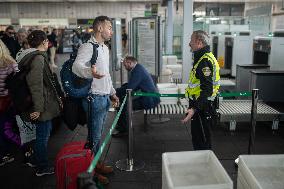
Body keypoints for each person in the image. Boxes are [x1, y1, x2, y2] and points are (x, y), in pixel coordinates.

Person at [72, 16, 119, 185]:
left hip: (104, 96)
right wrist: (89, 72)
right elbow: (77, 66)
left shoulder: (105, 48)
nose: (111, 31)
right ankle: (90, 173)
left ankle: (97, 164)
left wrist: (112, 92)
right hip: (94, 98)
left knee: (97, 136)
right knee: (94, 137)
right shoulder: (88, 46)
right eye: (109, 27)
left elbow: (106, 74)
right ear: (99, 28)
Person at [18, 30, 62, 176]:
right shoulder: (38, 58)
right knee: (43, 135)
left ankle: (35, 159)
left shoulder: (28, 55)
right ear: (44, 42)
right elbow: (35, 84)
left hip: (40, 102)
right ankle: (42, 166)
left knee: (41, 134)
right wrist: (38, 108)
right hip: (42, 105)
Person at [181, 30, 220, 150]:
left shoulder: (204, 61)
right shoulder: (205, 57)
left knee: (201, 142)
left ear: (199, 42)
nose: (189, 44)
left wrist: (194, 108)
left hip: (202, 108)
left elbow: (207, 89)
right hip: (201, 105)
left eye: (191, 41)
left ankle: (204, 166)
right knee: (200, 139)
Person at [112, 56, 160, 137]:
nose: (124, 67)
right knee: (122, 100)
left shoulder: (137, 71)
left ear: (129, 63)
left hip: (149, 99)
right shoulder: (138, 68)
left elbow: (130, 87)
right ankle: (122, 126)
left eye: (125, 65)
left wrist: (116, 92)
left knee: (123, 105)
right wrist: (117, 91)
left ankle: (125, 130)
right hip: (148, 97)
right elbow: (133, 85)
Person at [0, 39, 18, 166]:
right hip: (7, 101)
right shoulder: (10, 63)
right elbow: (18, 82)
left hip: (5, 102)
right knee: (6, 128)